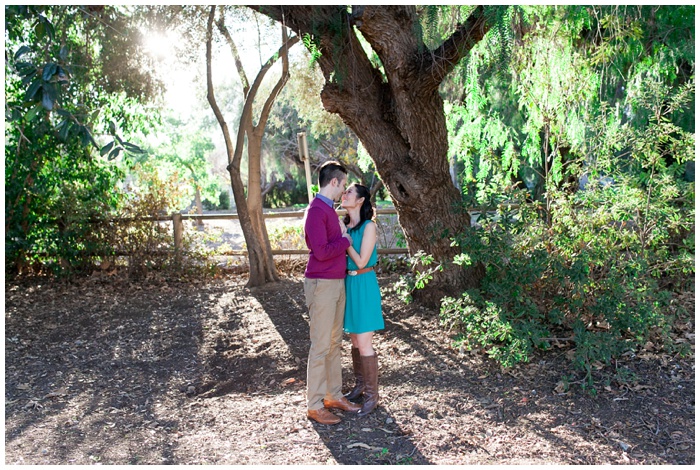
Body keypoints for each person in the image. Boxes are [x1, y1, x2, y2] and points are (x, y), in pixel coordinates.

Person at [303, 161, 362, 425]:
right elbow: (321, 251)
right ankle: (315, 405)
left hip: (336, 282)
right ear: (335, 182)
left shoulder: (328, 210)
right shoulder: (316, 210)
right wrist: (346, 240)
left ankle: (333, 394)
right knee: (320, 345)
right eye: (343, 185)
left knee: (334, 342)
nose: (343, 193)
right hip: (321, 283)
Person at [340, 183, 385, 417]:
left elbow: (360, 261)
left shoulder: (368, 227)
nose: (344, 194)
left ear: (360, 200)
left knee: (365, 342)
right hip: (347, 285)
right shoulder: (345, 225)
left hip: (364, 284)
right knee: (355, 341)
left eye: (349, 192)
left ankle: (372, 396)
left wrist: (345, 239)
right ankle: (359, 386)